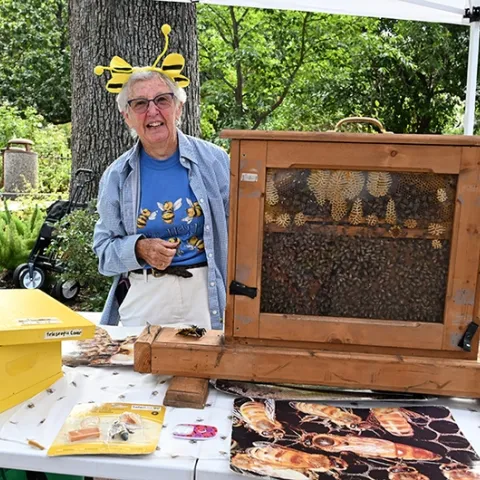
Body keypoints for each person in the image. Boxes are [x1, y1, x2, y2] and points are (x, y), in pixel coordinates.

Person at [92, 25, 229, 330]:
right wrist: (139, 249)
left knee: (206, 376)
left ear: (179, 107)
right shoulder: (117, 176)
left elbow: (243, 232)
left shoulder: (215, 161)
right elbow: (103, 253)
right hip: (145, 295)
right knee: (138, 376)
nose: (152, 111)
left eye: (162, 100)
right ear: (126, 116)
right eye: (139, 103)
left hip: (205, 295)